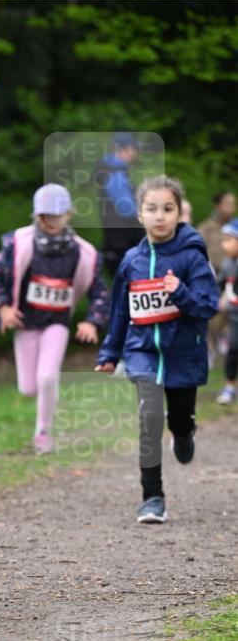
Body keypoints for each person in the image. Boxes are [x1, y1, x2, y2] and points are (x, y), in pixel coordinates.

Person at [95, 175, 219, 524]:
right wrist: (109, 353)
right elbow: (120, 311)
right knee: (149, 419)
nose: (160, 216)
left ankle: (183, 430)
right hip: (142, 351)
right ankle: (152, 497)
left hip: (183, 352)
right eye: (152, 209)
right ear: (140, 214)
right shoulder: (131, 260)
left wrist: (180, 292)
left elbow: (207, 306)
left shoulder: (192, 257)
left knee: (177, 418)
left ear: (179, 213)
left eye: (168, 208)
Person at [0, 183, 109, 454]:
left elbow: (99, 291)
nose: (50, 222)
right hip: (26, 322)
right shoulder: (18, 244)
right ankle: (48, 395)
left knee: (47, 377)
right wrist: (3, 308)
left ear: (69, 215)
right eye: (44, 216)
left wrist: (92, 321)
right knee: (29, 388)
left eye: (56, 215)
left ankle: (43, 433)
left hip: (57, 322)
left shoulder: (83, 252)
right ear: (36, 216)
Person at [94, 133, 143, 277]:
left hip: (118, 244)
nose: (135, 153)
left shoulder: (112, 170)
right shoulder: (114, 172)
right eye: (133, 149)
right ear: (123, 149)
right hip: (122, 246)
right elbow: (127, 208)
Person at [199, 190, 236, 364]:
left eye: (233, 204)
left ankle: (227, 351)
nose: (231, 208)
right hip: (212, 279)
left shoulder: (235, 227)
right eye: (228, 203)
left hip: (233, 278)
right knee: (213, 317)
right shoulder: (206, 228)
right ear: (218, 205)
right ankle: (212, 350)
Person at [216, 218, 238, 405]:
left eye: (229, 240)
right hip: (234, 317)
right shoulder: (227, 264)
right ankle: (230, 386)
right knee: (233, 350)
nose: (224, 245)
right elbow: (220, 285)